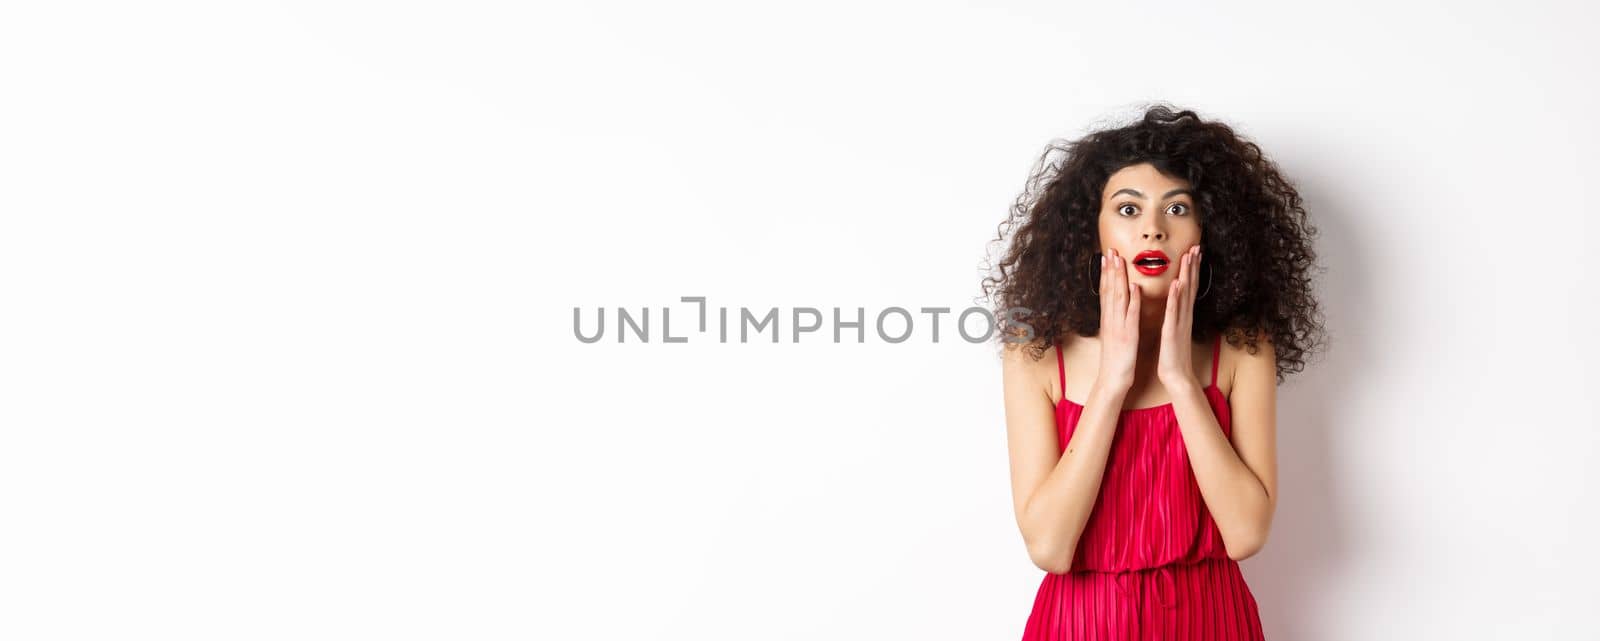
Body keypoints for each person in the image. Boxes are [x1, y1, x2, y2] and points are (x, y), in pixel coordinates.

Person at [980, 104, 1327, 640]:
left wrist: (1181, 380)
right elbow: (1049, 547)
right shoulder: (1035, 354)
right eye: (1127, 210)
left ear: (1208, 231)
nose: (1153, 231)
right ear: (1091, 233)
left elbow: (1244, 533)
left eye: (1177, 209)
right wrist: (1112, 382)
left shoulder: (1241, 349)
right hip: (1080, 624)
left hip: (1212, 622)